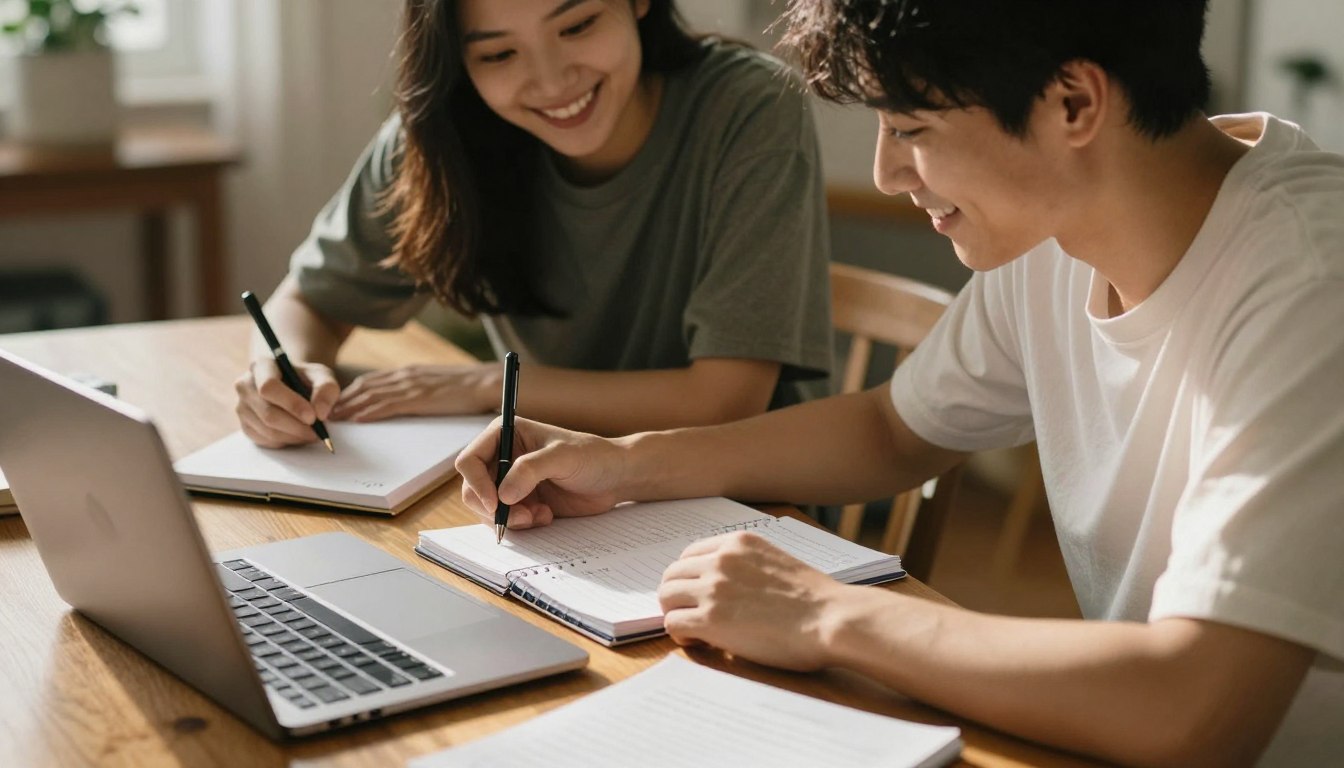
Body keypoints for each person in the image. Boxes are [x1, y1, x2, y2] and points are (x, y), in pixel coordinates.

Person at [454, 1, 1344, 764]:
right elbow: (893, 429)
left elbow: (1195, 708)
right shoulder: (1058, 225)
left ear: (1073, 102)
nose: (885, 173)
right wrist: (625, 464)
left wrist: (824, 616)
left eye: (910, 129)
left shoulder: (1311, 283)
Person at [234, 0, 832, 446]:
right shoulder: (448, 133)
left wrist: (485, 387)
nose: (551, 80)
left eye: (577, 26)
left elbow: (725, 402)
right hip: (544, 484)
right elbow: (308, 303)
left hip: (740, 502)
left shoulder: (749, 107)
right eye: (498, 54)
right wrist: (284, 376)